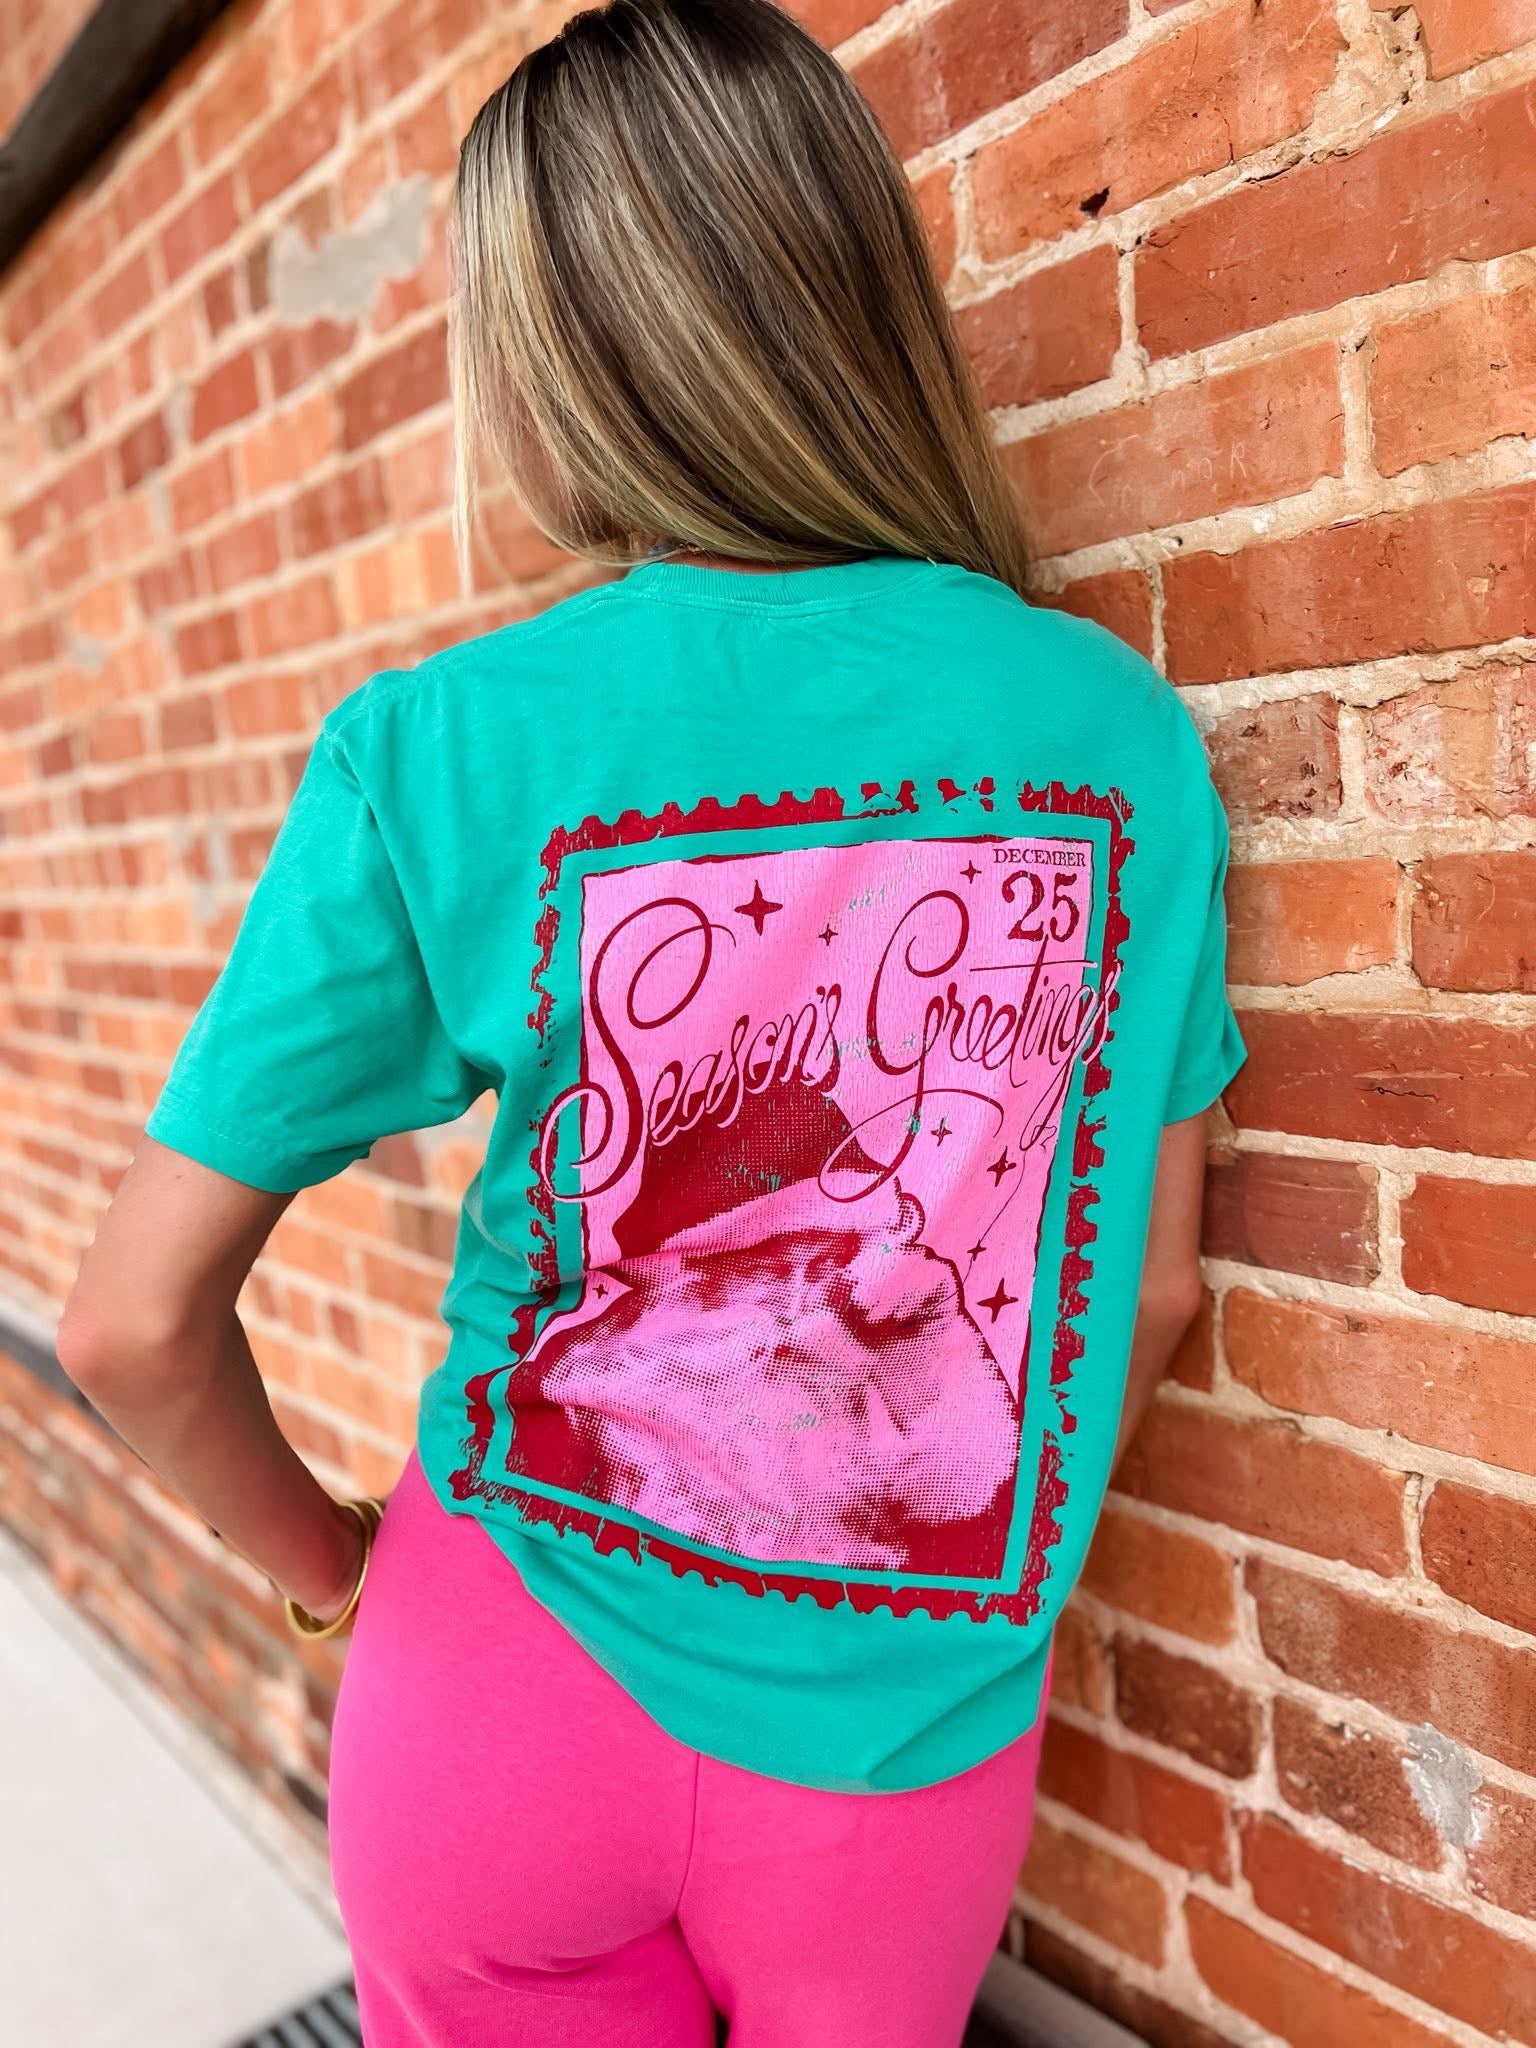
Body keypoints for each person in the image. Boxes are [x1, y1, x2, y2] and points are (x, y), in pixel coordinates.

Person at [58, 2, 1245, 2042]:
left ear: (551, 361)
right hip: (904, 1734)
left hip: (496, 1696)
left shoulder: (442, 745)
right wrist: (970, 1593)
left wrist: (334, 1577)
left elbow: (129, 1326)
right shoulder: (1117, 740)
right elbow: (1141, 1295)